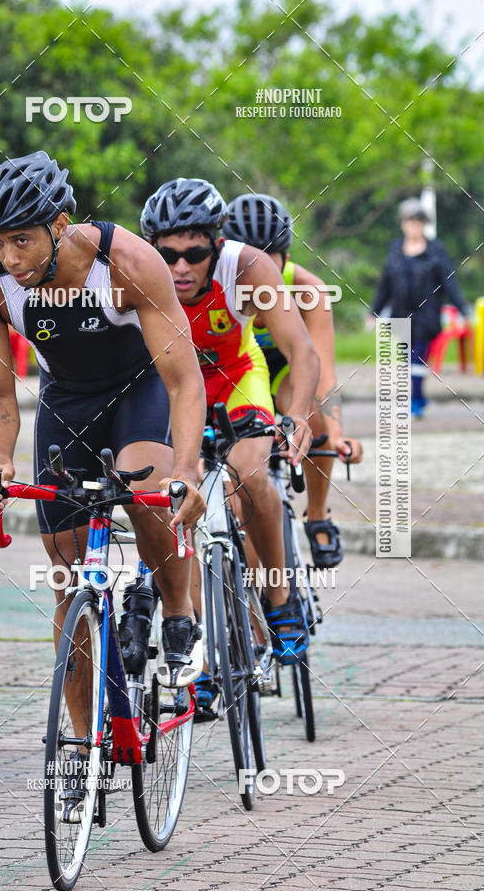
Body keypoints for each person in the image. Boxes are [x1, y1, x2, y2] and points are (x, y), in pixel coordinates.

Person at [0, 151, 207, 693]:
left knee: (147, 490)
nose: (10, 257)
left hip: (139, 389)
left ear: (60, 225)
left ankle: (180, 614)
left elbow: (184, 381)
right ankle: (77, 758)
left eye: (22, 239)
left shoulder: (128, 263)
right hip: (66, 400)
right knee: (66, 577)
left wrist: (187, 468)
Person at [140, 177, 320, 711]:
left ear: (216, 244)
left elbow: (301, 349)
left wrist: (296, 415)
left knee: (251, 472)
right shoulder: (135, 272)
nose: (180, 268)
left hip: (236, 377)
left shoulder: (246, 268)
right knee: (179, 501)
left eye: (194, 253)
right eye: (167, 254)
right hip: (172, 388)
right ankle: (195, 644)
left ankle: (280, 597)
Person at [223, 193, 363, 568]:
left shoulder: (309, 290)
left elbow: (323, 372)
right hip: (236, 374)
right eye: (250, 262)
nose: (259, 275)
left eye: (269, 262)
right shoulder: (216, 281)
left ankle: (317, 513)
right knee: (238, 497)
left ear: (285, 257)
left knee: (314, 414)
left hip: (285, 373)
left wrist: (335, 434)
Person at [367, 197, 468, 417]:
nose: (413, 225)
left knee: (417, 356)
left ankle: (414, 400)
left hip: (426, 315)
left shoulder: (436, 250)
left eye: (418, 221)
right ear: (403, 223)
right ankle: (418, 397)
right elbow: (385, 284)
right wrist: (373, 312)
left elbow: (449, 282)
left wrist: (463, 309)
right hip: (400, 315)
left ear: (424, 223)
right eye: (409, 220)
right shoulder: (395, 250)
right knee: (407, 359)